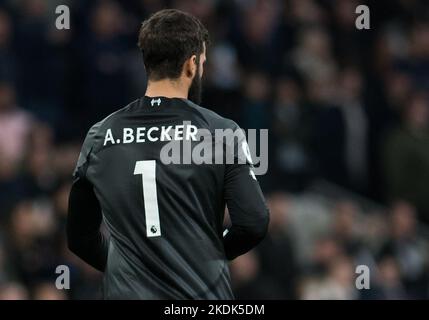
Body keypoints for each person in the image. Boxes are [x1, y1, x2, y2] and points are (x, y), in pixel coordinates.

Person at [66, 9, 269, 300]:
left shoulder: (100, 135)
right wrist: (207, 257)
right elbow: (253, 223)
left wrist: (131, 269)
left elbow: (79, 238)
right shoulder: (220, 132)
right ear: (191, 64)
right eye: (203, 63)